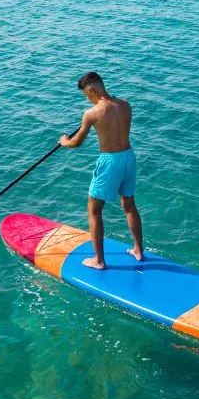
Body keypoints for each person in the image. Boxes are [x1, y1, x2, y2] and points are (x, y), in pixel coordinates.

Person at [59, 72, 143, 269]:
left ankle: (99, 260)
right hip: (128, 157)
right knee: (129, 204)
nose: (87, 99)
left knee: (94, 210)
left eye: (86, 95)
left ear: (92, 90)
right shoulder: (125, 105)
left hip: (110, 161)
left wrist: (64, 141)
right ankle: (138, 250)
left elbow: (76, 142)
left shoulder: (92, 113)